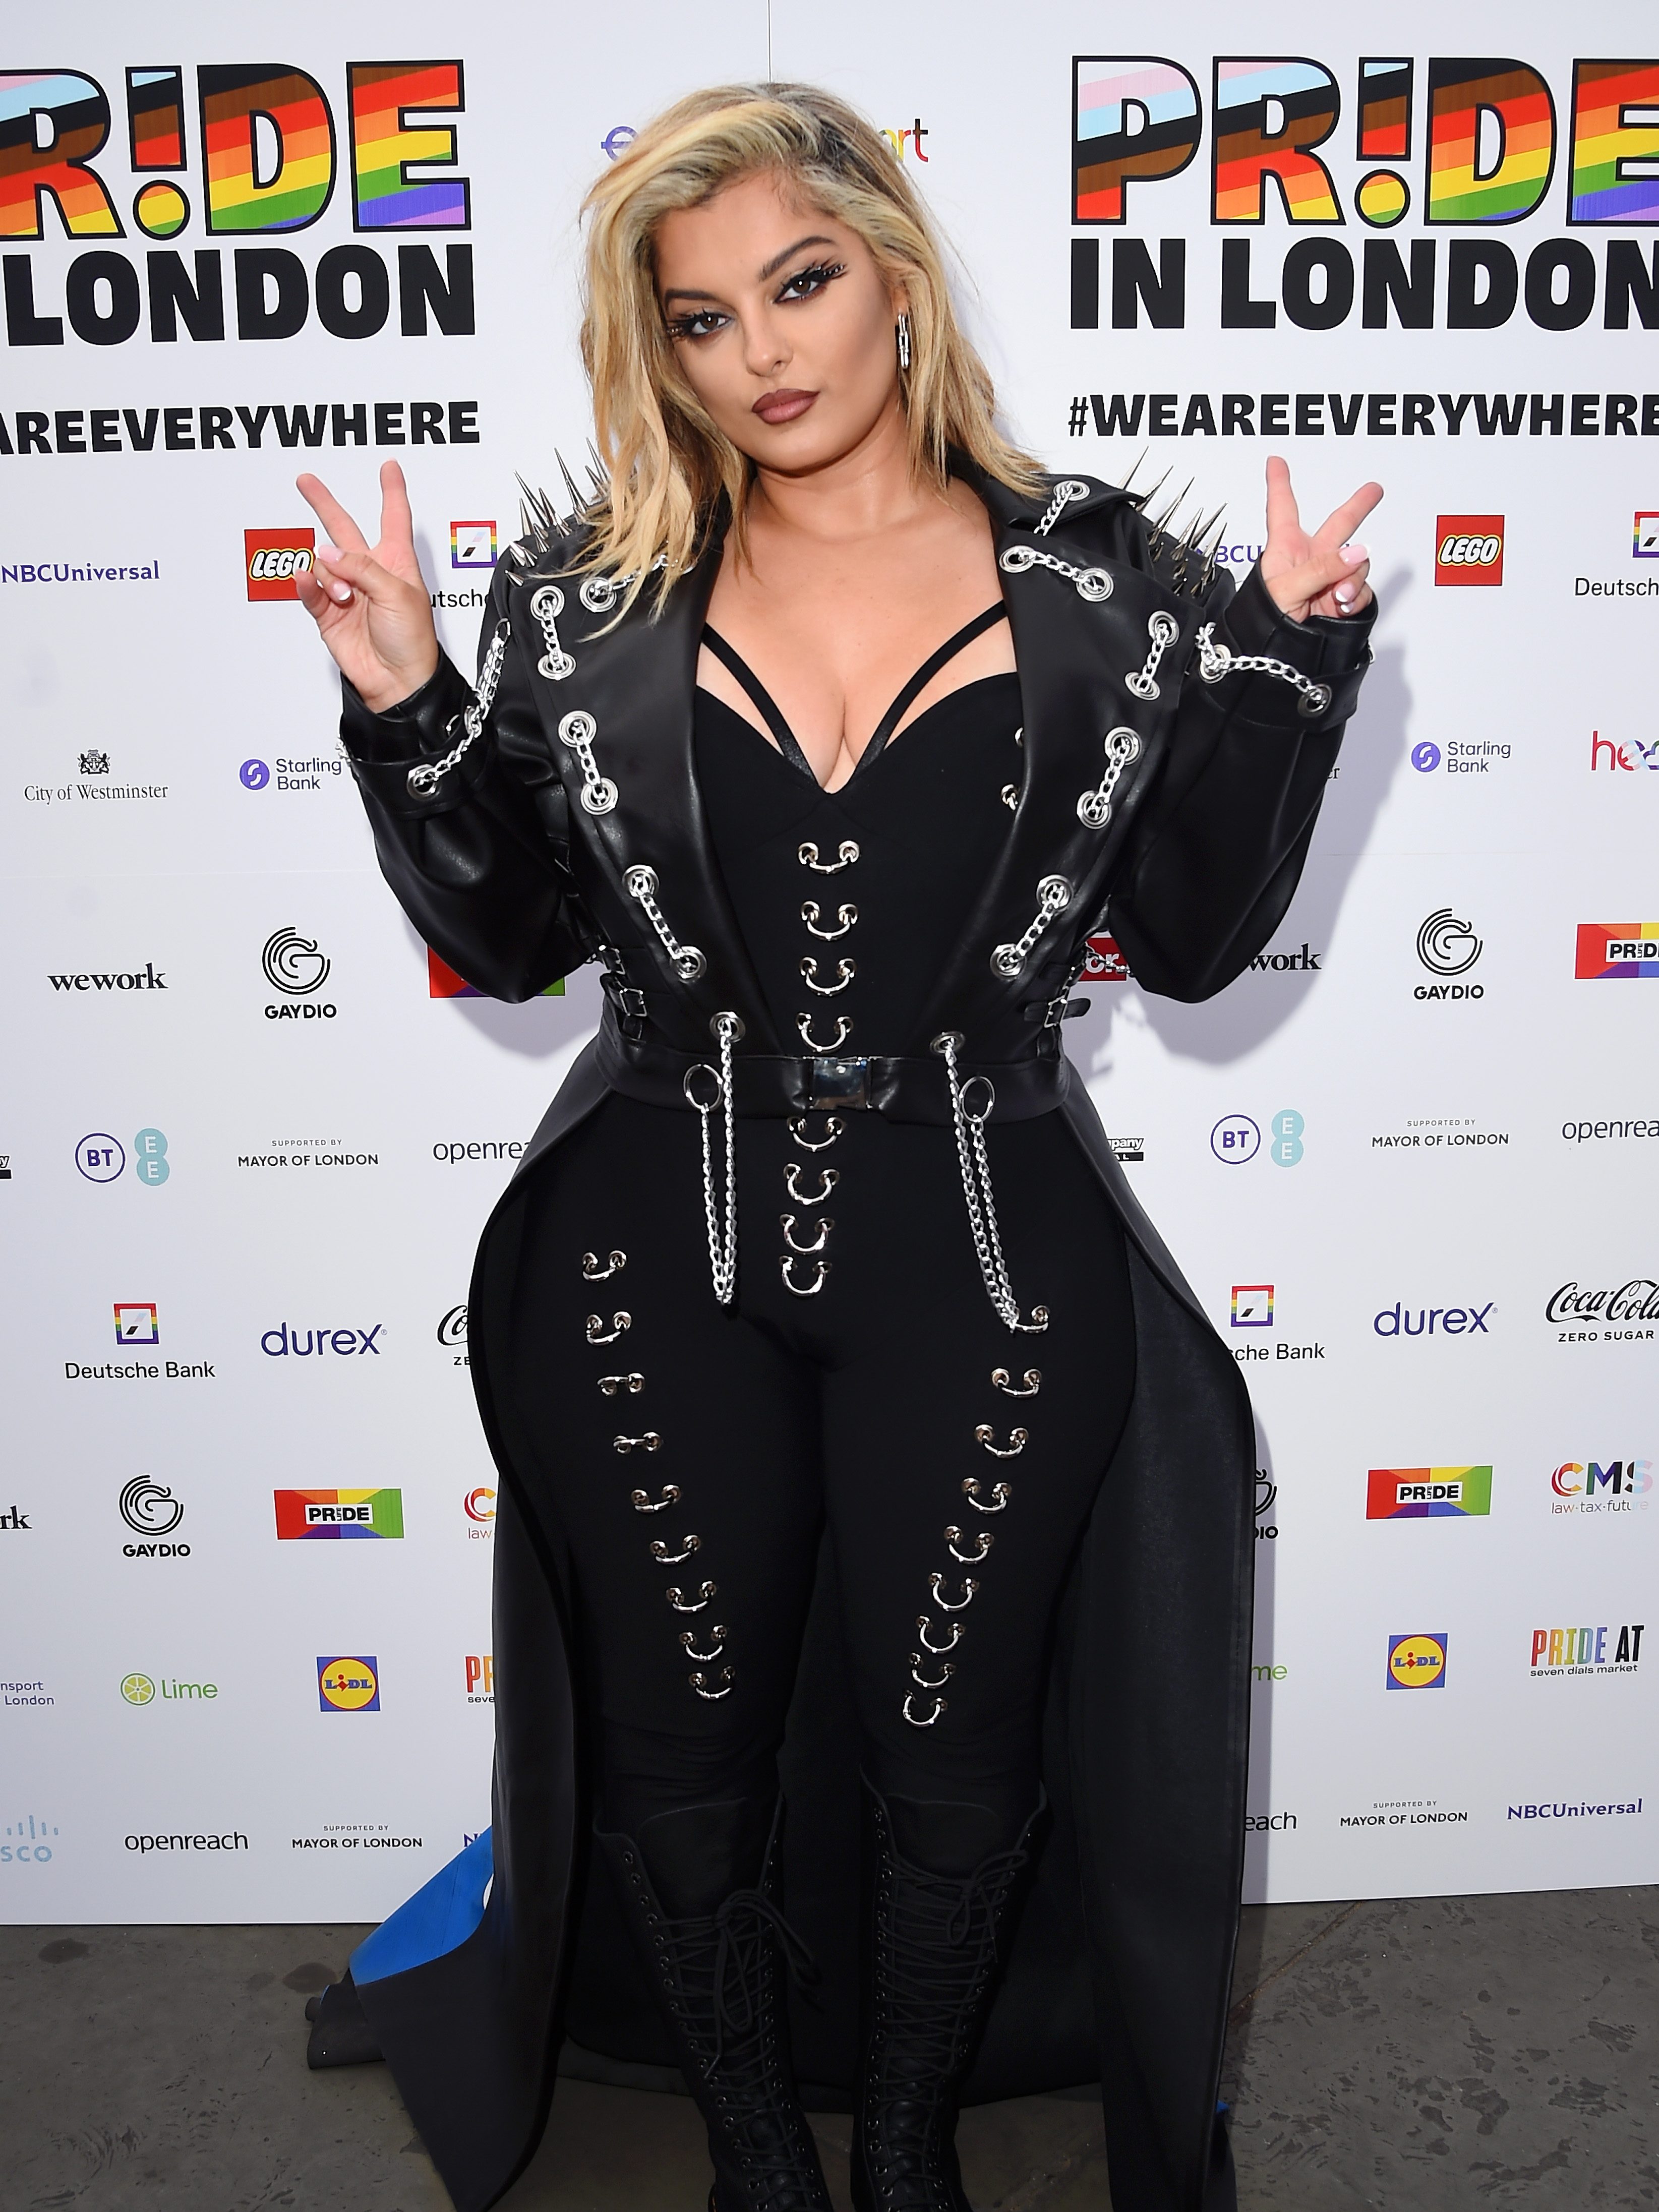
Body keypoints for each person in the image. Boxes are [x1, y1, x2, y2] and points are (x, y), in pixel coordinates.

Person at [295, 81, 1379, 2212]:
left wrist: (1284, 666)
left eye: (799, 283)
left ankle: (900, 2142)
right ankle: (755, 2150)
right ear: (657, 349)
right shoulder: (585, 596)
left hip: (984, 1249)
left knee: (955, 1765)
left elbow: (1190, 939)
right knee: (681, 1759)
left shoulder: (1104, 583)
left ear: (891, 268)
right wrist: (415, 701)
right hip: (642, 1249)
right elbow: (510, 941)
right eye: (698, 319)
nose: (762, 351)